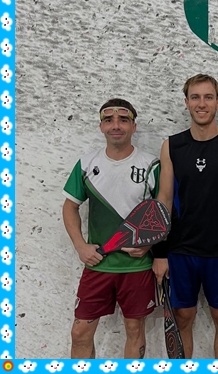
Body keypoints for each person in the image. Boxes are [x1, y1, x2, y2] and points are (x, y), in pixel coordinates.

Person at [152, 74, 218, 359]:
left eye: (208, 97)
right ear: (186, 102)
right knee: (183, 317)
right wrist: (160, 252)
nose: (202, 103)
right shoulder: (171, 146)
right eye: (195, 97)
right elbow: (164, 199)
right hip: (181, 249)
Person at [62, 99, 160, 359]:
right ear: (101, 127)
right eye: (109, 120)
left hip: (136, 267)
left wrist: (150, 245)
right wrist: (80, 246)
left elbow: (163, 214)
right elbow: (70, 207)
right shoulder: (86, 164)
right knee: (80, 332)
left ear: (134, 126)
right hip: (98, 265)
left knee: (135, 330)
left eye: (123, 120)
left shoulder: (152, 165)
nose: (116, 125)